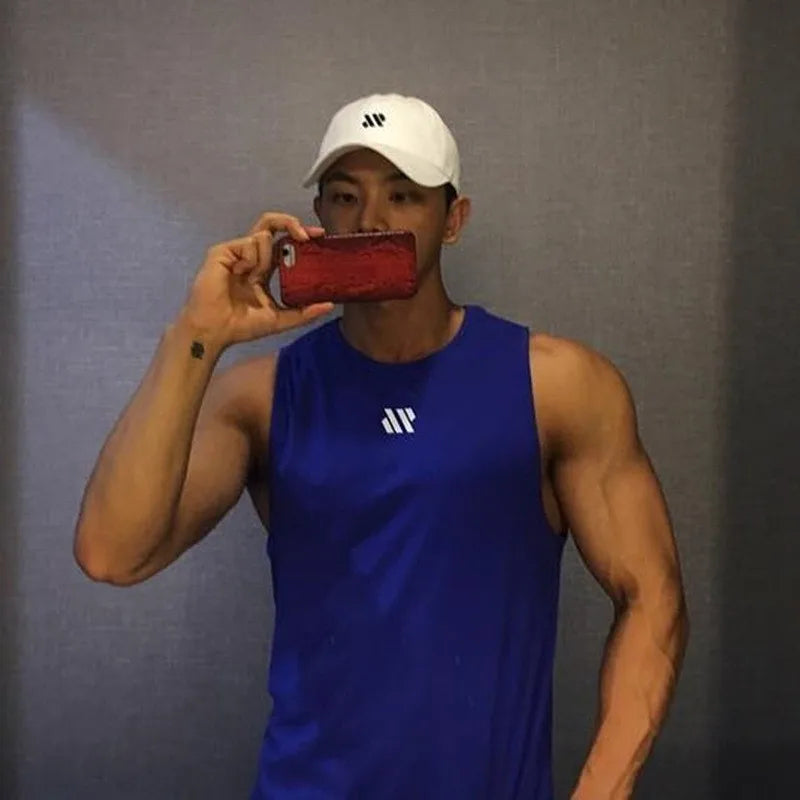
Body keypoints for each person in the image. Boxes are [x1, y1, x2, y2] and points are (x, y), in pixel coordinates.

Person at [74, 93, 689, 799]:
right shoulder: (262, 398)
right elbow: (112, 553)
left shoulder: (557, 386)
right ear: (319, 217)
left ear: (452, 219)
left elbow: (653, 596)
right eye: (345, 196)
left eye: (403, 195)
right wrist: (197, 335)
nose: (370, 219)